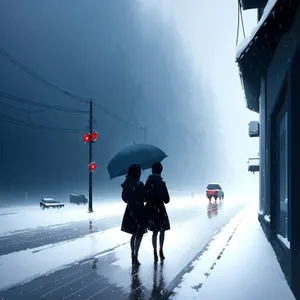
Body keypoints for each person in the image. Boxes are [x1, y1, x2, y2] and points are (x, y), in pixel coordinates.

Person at [121, 164, 147, 266]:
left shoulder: (126, 183)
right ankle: (136, 254)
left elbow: (124, 198)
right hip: (139, 210)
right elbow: (144, 198)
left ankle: (132, 253)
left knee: (133, 233)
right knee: (139, 233)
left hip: (130, 209)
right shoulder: (140, 184)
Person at [145, 162, 170, 263]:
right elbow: (167, 200)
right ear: (161, 171)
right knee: (162, 231)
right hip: (160, 208)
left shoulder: (148, 182)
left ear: (152, 170)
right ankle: (161, 250)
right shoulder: (162, 183)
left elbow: (144, 197)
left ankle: (154, 251)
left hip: (151, 209)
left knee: (154, 232)